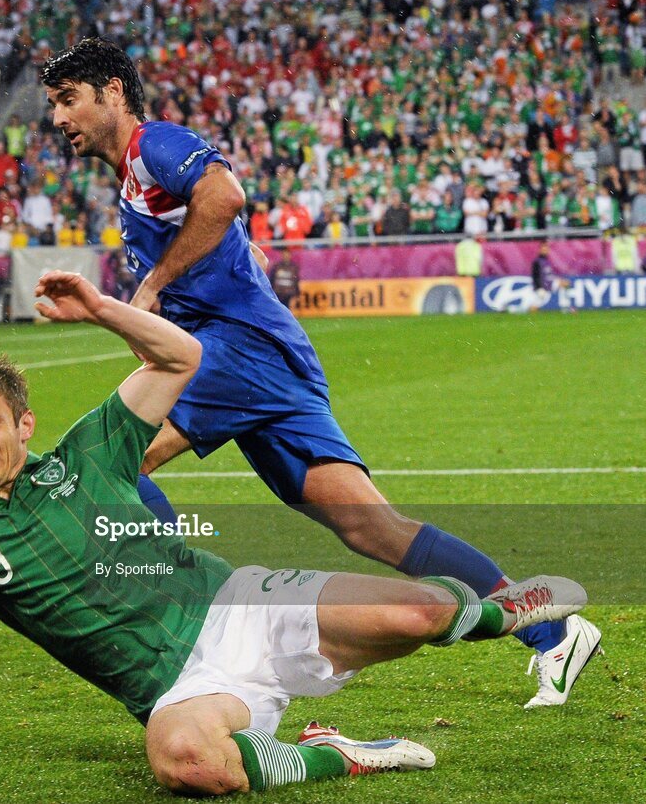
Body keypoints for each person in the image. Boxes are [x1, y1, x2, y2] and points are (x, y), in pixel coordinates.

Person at [0, 270, 587, 793]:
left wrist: (103, 307)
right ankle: (347, 756)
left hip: (242, 607)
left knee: (419, 617)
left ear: (23, 424)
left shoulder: (91, 453)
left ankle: (512, 611)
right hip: (188, 691)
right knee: (186, 762)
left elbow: (179, 357)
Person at [40, 38, 600, 708]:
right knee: (373, 529)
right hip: (264, 355)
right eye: (51, 103)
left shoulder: (154, 145)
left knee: (114, 465)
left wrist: (154, 284)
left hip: (240, 348)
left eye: (67, 99)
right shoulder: (133, 180)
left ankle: (185, 628)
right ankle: (554, 636)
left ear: (111, 91)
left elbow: (224, 196)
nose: (57, 118)